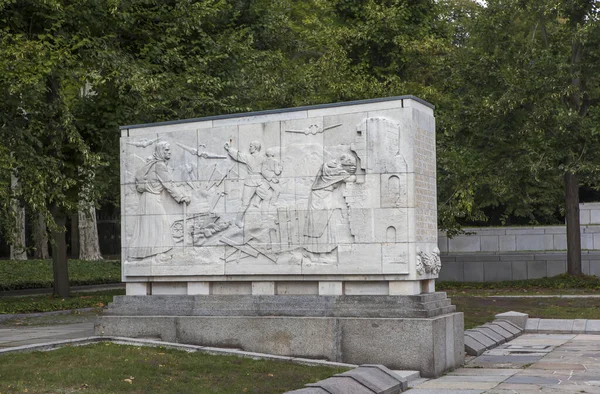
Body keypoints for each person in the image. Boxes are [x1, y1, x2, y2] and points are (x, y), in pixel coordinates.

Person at [129, 141, 190, 259]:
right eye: (166, 150)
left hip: (146, 199)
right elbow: (169, 185)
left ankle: (140, 255)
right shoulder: (159, 165)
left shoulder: (151, 164)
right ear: (160, 151)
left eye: (169, 149)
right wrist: (181, 197)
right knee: (160, 224)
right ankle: (159, 254)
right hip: (152, 199)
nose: (169, 152)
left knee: (147, 227)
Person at [303, 154, 356, 254]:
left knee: (322, 223)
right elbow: (351, 179)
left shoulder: (327, 166)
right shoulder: (336, 170)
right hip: (323, 197)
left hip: (320, 196)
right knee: (324, 223)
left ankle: (316, 251)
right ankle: (319, 252)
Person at [224, 140, 269, 227]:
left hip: (259, 181)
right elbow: (238, 155)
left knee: (267, 196)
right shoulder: (248, 157)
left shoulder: (263, 158)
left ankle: (264, 216)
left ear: (255, 148)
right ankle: (238, 220)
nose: (249, 148)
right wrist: (229, 149)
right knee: (245, 204)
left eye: (251, 146)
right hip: (250, 183)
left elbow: (266, 169)